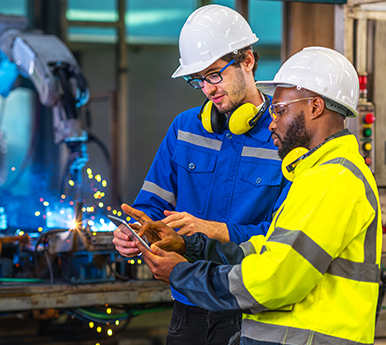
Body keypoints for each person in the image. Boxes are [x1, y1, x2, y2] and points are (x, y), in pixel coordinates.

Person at [123, 47, 383, 345]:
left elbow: (273, 279)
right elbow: (268, 250)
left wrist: (183, 273)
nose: (272, 123)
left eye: (281, 110)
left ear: (315, 107)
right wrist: (189, 245)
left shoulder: (332, 180)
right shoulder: (315, 173)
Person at [112, 5, 291, 345]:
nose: (208, 89)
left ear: (248, 60)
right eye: (198, 80)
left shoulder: (281, 139)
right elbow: (151, 205)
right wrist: (136, 232)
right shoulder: (184, 129)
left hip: (248, 311)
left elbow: (281, 239)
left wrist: (214, 230)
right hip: (188, 309)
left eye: (214, 74)